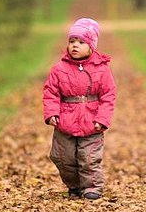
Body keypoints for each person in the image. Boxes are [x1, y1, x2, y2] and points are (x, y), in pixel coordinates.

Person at [43, 17, 117, 200]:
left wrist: (102, 118)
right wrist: (52, 113)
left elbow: (108, 95)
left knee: (89, 158)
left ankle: (92, 187)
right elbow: (51, 93)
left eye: (81, 42)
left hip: (92, 122)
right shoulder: (59, 69)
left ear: (91, 46)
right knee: (63, 157)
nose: (75, 45)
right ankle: (74, 185)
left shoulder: (102, 69)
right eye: (72, 41)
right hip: (65, 121)